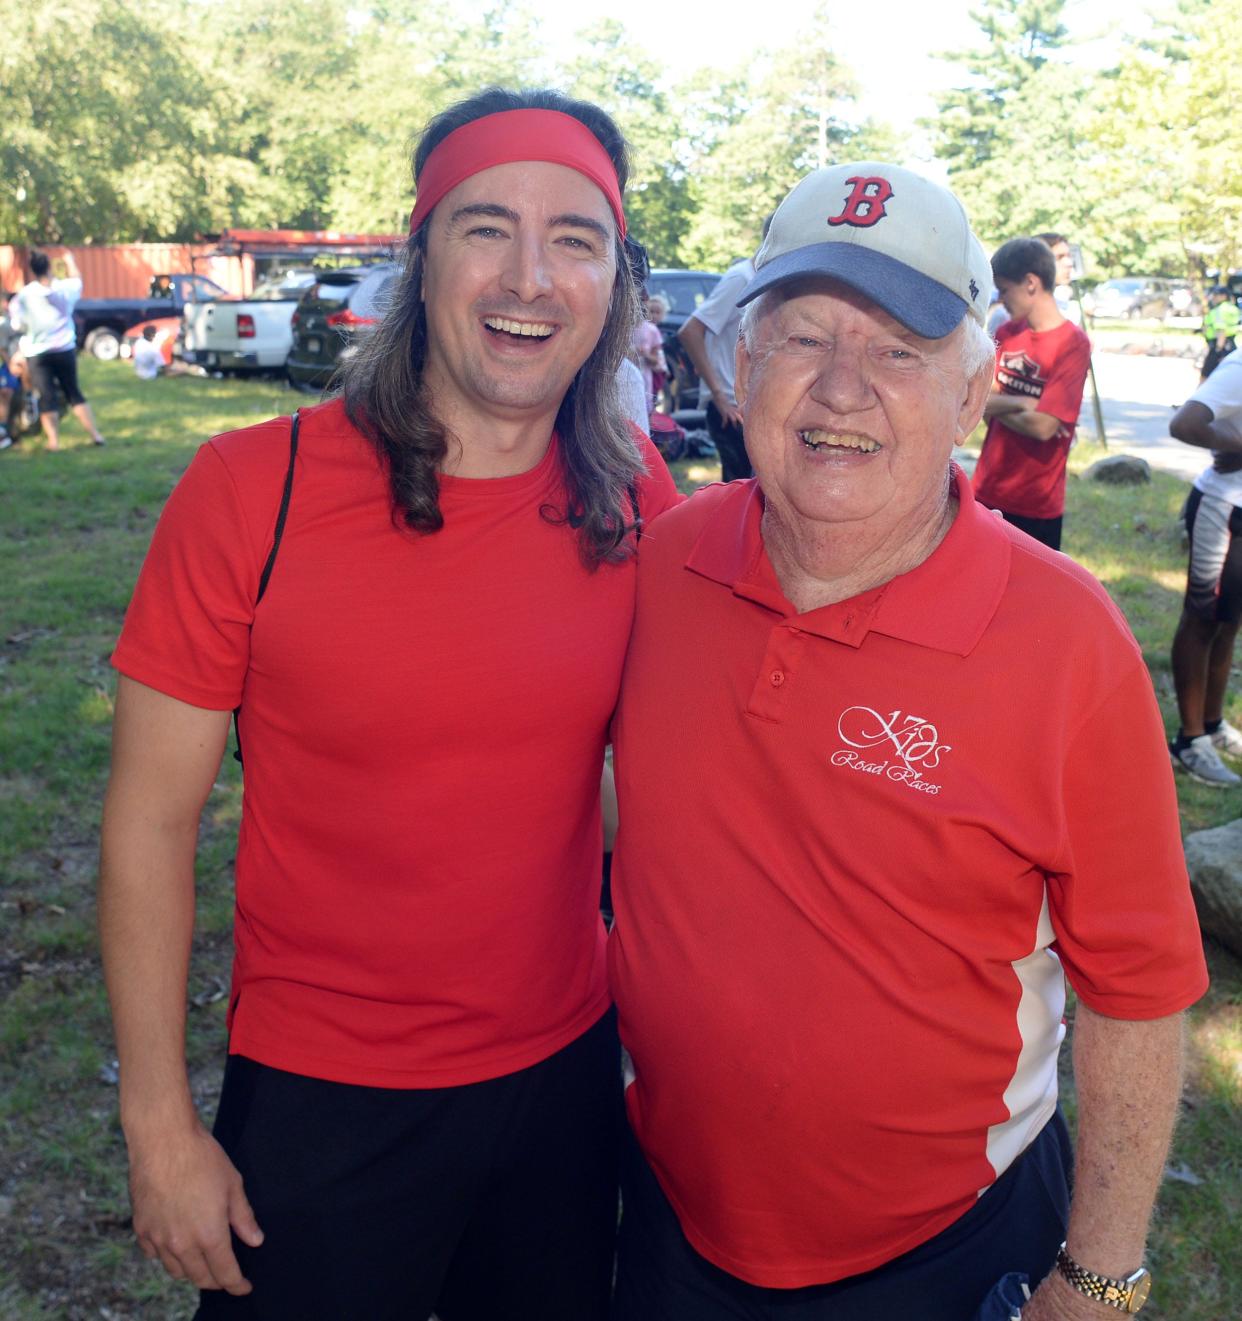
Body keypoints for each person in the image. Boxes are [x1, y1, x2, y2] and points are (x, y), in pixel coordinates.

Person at [99, 86, 679, 1321]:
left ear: (614, 282)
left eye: (574, 238)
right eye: (486, 227)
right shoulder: (254, 490)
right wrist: (159, 1125)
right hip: (321, 1098)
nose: (530, 276)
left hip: (564, 1080)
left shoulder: (639, 507)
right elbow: (149, 824)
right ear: (420, 258)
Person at [607, 162, 1208, 1321]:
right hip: (666, 1224)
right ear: (737, 366)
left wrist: (1100, 1275)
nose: (841, 390)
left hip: (942, 1256)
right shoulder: (659, 568)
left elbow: (1138, 984)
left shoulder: (1067, 640)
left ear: (976, 388)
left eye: (898, 350)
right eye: (802, 339)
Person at [972, 237, 1092, 551]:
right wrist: (1023, 402)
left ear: (1030, 283)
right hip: (986, 490)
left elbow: (1044, 427)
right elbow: (979, 404)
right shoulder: (1006, 334)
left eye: (1004, 289)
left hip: (1036, 502)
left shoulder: (1073, 344)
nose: (1000, 298)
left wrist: (1000, 405)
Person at [1168, 349, 1242, 786]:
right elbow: (1185, 423)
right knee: (1202, 620)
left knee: (1228, 624)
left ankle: (1212, 725)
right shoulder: (1238, 366)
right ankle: (1189, 740)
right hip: (1223, 508)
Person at [677, 222, 770, 482]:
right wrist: (719, 396)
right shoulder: (740, 278)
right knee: (741, 489)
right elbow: (690, 331)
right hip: (729, 408)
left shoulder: (766, 281)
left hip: (750, 403)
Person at [9, 249, 105, 450]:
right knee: (74, 393)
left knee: (46, 396)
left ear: (32, 270)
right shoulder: (63, 289)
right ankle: (95, 435)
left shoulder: (25, 295)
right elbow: (77, 280)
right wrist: (70, 261)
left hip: (37, 353)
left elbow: (17, 325)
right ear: (49, 267)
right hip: (64, 349)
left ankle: (53, 442)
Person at [1035, 229, 1082, 327]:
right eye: (1059, 257)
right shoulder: (1018, 312)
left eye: (1069, 256)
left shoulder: (1068, 309)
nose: (1069, 263)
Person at [1199, 284, 1238, 382]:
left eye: (1216, 295)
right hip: (1230, 345)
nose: (1213, 297)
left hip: (1220, 346)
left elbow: (1221, 330)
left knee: (1206, 375)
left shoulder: (1220, 310)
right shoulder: (1231, 308)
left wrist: (1217, 350)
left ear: (1223, 296)